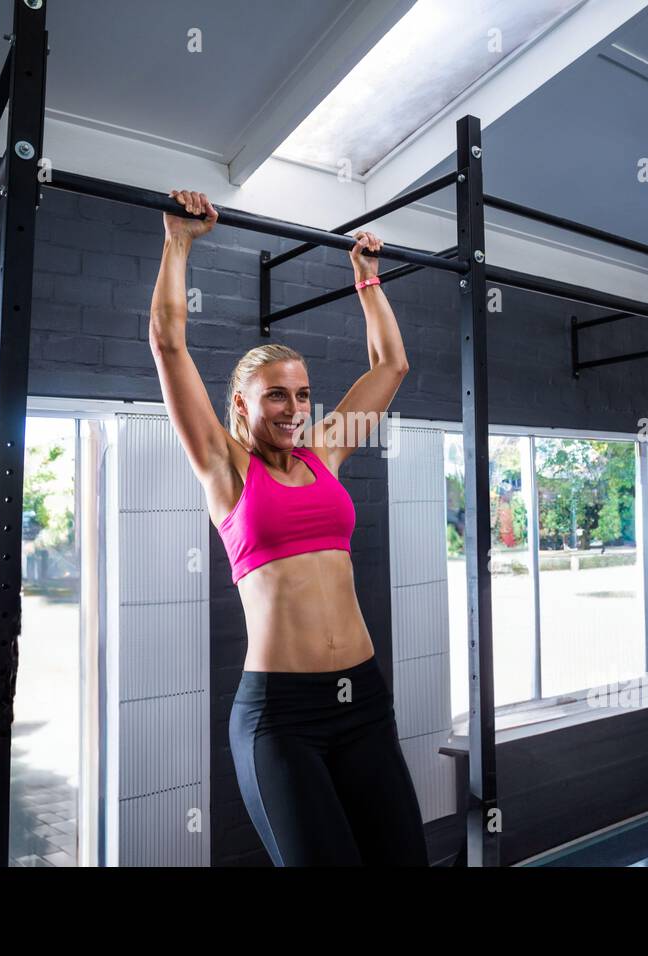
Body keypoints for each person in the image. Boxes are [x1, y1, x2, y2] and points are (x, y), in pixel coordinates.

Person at [148, 188, 429, 866]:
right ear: (241, 402)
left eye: (302, 393)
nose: (294, 407)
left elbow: (391, 365)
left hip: (364, 699)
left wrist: (366, 279)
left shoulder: (325, 451)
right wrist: (178, 243)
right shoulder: (224, 466)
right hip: (282, 717)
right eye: (277, 393)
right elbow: (167, 341)